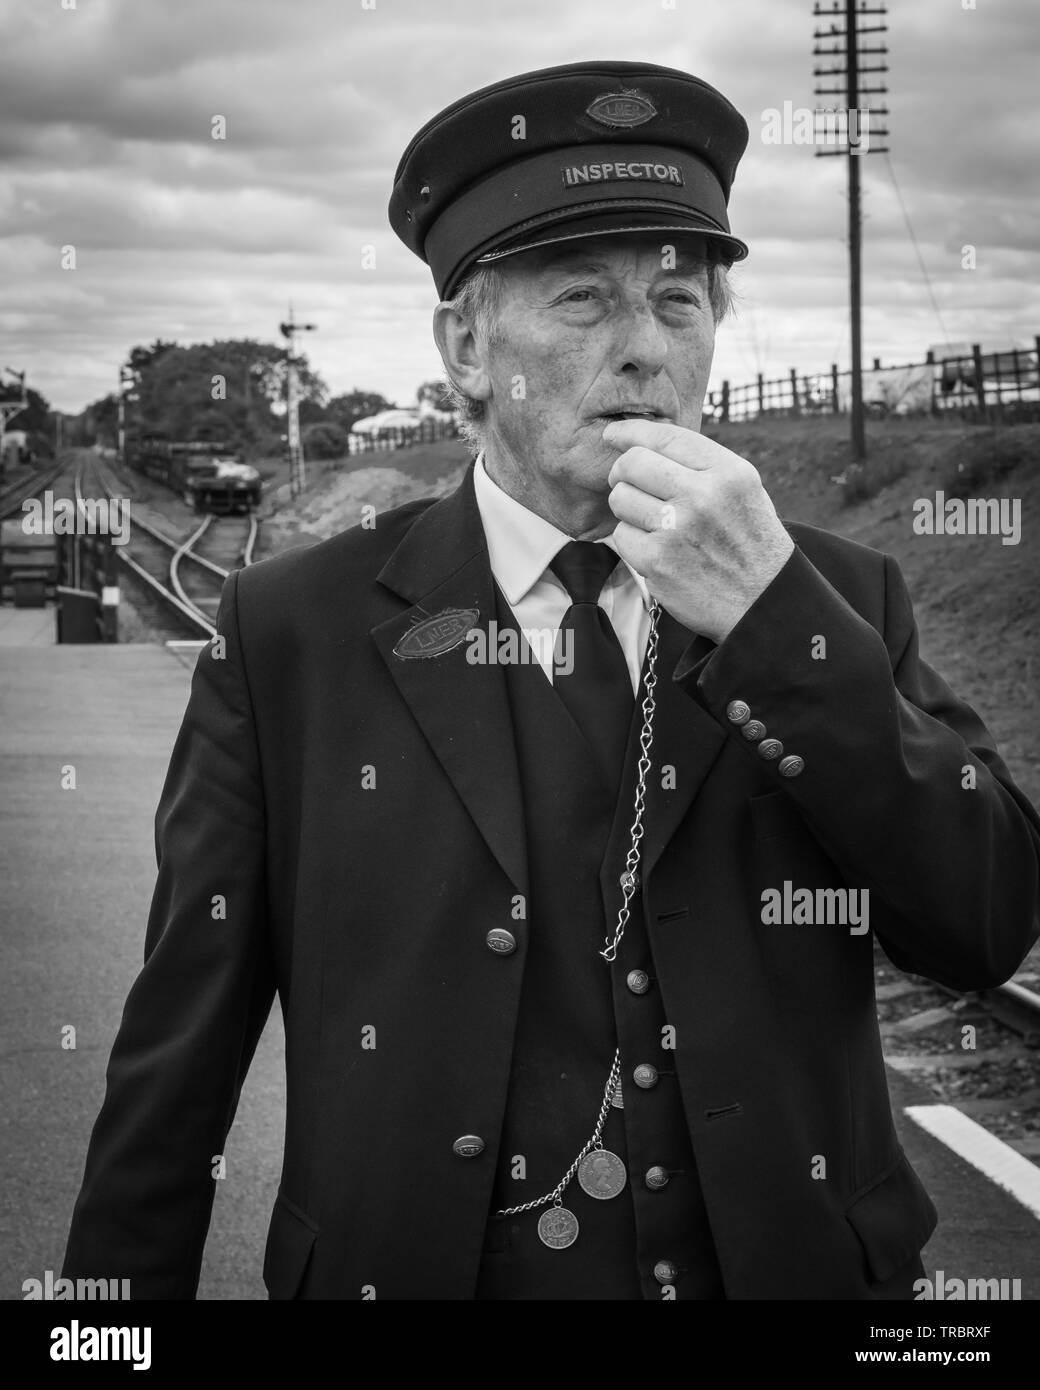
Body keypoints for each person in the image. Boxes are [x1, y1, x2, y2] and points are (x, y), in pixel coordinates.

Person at [63, 59, 1040, 1301]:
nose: (642, 351)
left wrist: (773, 622)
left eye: (677, 305)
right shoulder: (290, 632)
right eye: (583, 301)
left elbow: (985, 920)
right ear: (466, 347)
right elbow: (177, 1059)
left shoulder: (831, 598)